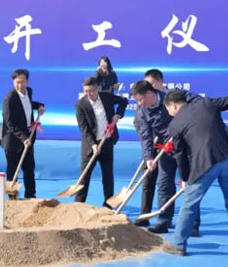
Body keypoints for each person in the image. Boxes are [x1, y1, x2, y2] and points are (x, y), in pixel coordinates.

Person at [163, 89, 228, 258]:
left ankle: (179, 245)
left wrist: (185, 178)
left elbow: (180, 155)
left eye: (168, 110)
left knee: (189, 205)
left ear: (173, 106)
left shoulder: (175, 125)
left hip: (204, 164)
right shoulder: (206, 103)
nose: (169, 113)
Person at [130, 80, 200, 235]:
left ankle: (193, 224)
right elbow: (146, 136)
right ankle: (163, 221)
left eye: (140, 99)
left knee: (190, 184)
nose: (139, 104)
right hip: (166, 149)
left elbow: (198, 101)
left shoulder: (172, 96)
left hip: (186, 148)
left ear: (150, 94)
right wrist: (149, 157)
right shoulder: (142, 111)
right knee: (164, 185)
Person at [74, 77, 128, 206]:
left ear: (97, 88)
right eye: (86, 91)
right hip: (90, 145)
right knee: (85, 175)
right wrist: (93, 145)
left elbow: (124, 101)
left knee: (107, 175)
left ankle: (109, 204)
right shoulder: (80, 105)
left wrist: (118, 115)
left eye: (91, 91)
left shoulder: (106, 97)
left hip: (107, 141)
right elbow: (84, 129)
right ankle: (79, 204)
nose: (89, 94)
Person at [1, 68, 45, 199]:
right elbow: (10, 123)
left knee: (29, 169)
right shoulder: (9, 99)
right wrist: (24, 138)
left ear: (27, 81)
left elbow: (27, 104)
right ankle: (12, 198)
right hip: (13, 141)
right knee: (13, 171)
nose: (20, 85)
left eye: (22, 82)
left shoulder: (28, 92)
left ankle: (31, 196)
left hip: (28, 137)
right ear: (13, 82)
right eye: (17, 82)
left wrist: (39, 106)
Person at [135, 69, 165, 226]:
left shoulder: (169, 99)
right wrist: (148, 156)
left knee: (166, 183)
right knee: (148, 180)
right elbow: (142, 130)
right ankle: (144, 215)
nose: (149, 86)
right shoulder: (141, 107)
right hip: (150, 145)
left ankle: (165, 219)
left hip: (169, 146)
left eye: (151, 83)